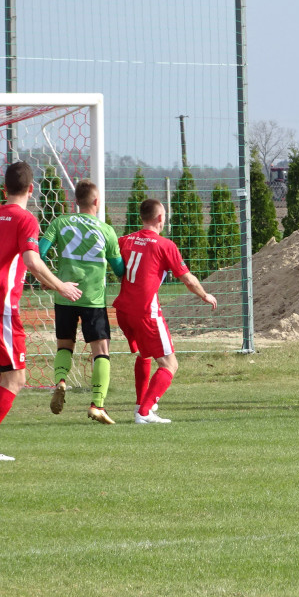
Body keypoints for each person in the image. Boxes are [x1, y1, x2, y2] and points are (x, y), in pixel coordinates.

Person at [0, 161, 83, 460]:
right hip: (2, 308)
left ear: (3, 188)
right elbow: (31, 260)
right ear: (31, 189)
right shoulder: (25, 219)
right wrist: (60, 286)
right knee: (16, 380)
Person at [113, 198, 216, 424]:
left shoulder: (124, 240)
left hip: (123, 309)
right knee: (170, 364)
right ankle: (145, 412)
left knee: (145, 354)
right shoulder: (164, 245)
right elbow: (187, 279)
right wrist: (205, 295)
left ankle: (141, 405)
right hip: (145, 311)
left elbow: (115, 264)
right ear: (160, 218)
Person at [39, 179, 125, 424]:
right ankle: (97, 404)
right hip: (92, 300)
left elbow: (39, 252)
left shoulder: (60, 222)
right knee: (102, 351)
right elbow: (119, 269)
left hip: (64, 294)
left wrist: (49, 279)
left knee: (64, 345)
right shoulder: (106, 230)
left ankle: (61, 381)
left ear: (75, 201)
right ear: (96, 201)